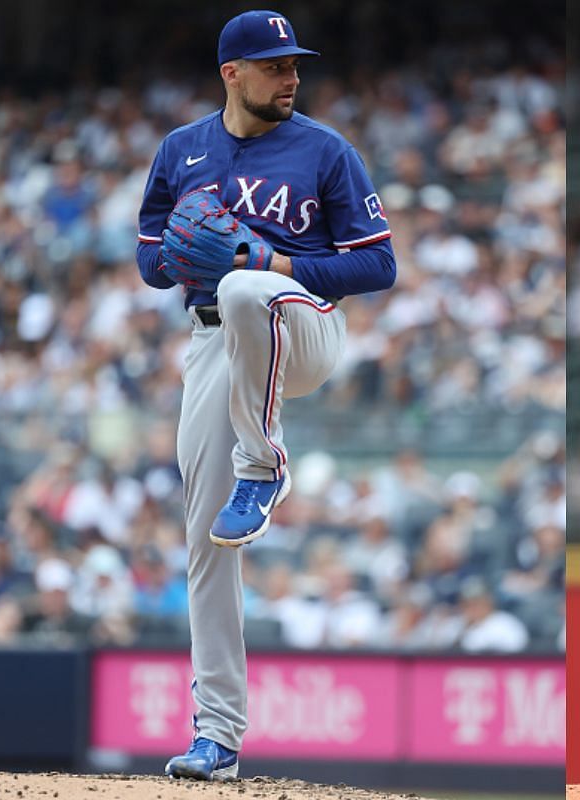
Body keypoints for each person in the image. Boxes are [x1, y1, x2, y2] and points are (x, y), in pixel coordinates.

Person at [135, 10, 396, 781]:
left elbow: (377, 267)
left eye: (294, 66)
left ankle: (265, 462)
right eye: (276, 66)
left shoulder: (325, 150)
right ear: (232, 73)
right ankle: (217, 737)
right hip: (215, 340)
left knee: (249, 284)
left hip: (302, 325)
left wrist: (271, 258)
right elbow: (151, 256)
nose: (292, 78)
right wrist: (179, 254)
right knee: (207, 535)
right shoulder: (182, 150)